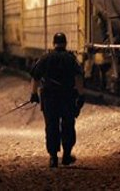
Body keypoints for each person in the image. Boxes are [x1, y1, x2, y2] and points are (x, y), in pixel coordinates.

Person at [29, 32, 85, 168]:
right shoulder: (71, 59)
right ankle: (66, 155)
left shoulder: (45, 58)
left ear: (53, 44)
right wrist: (81, 95)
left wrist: (34, 93)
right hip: (67, 96)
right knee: (68, 124)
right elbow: (78, 78)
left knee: (51, 125)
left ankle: (53, 157)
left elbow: (35, 77)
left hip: (49, 97)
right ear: (65, 44)